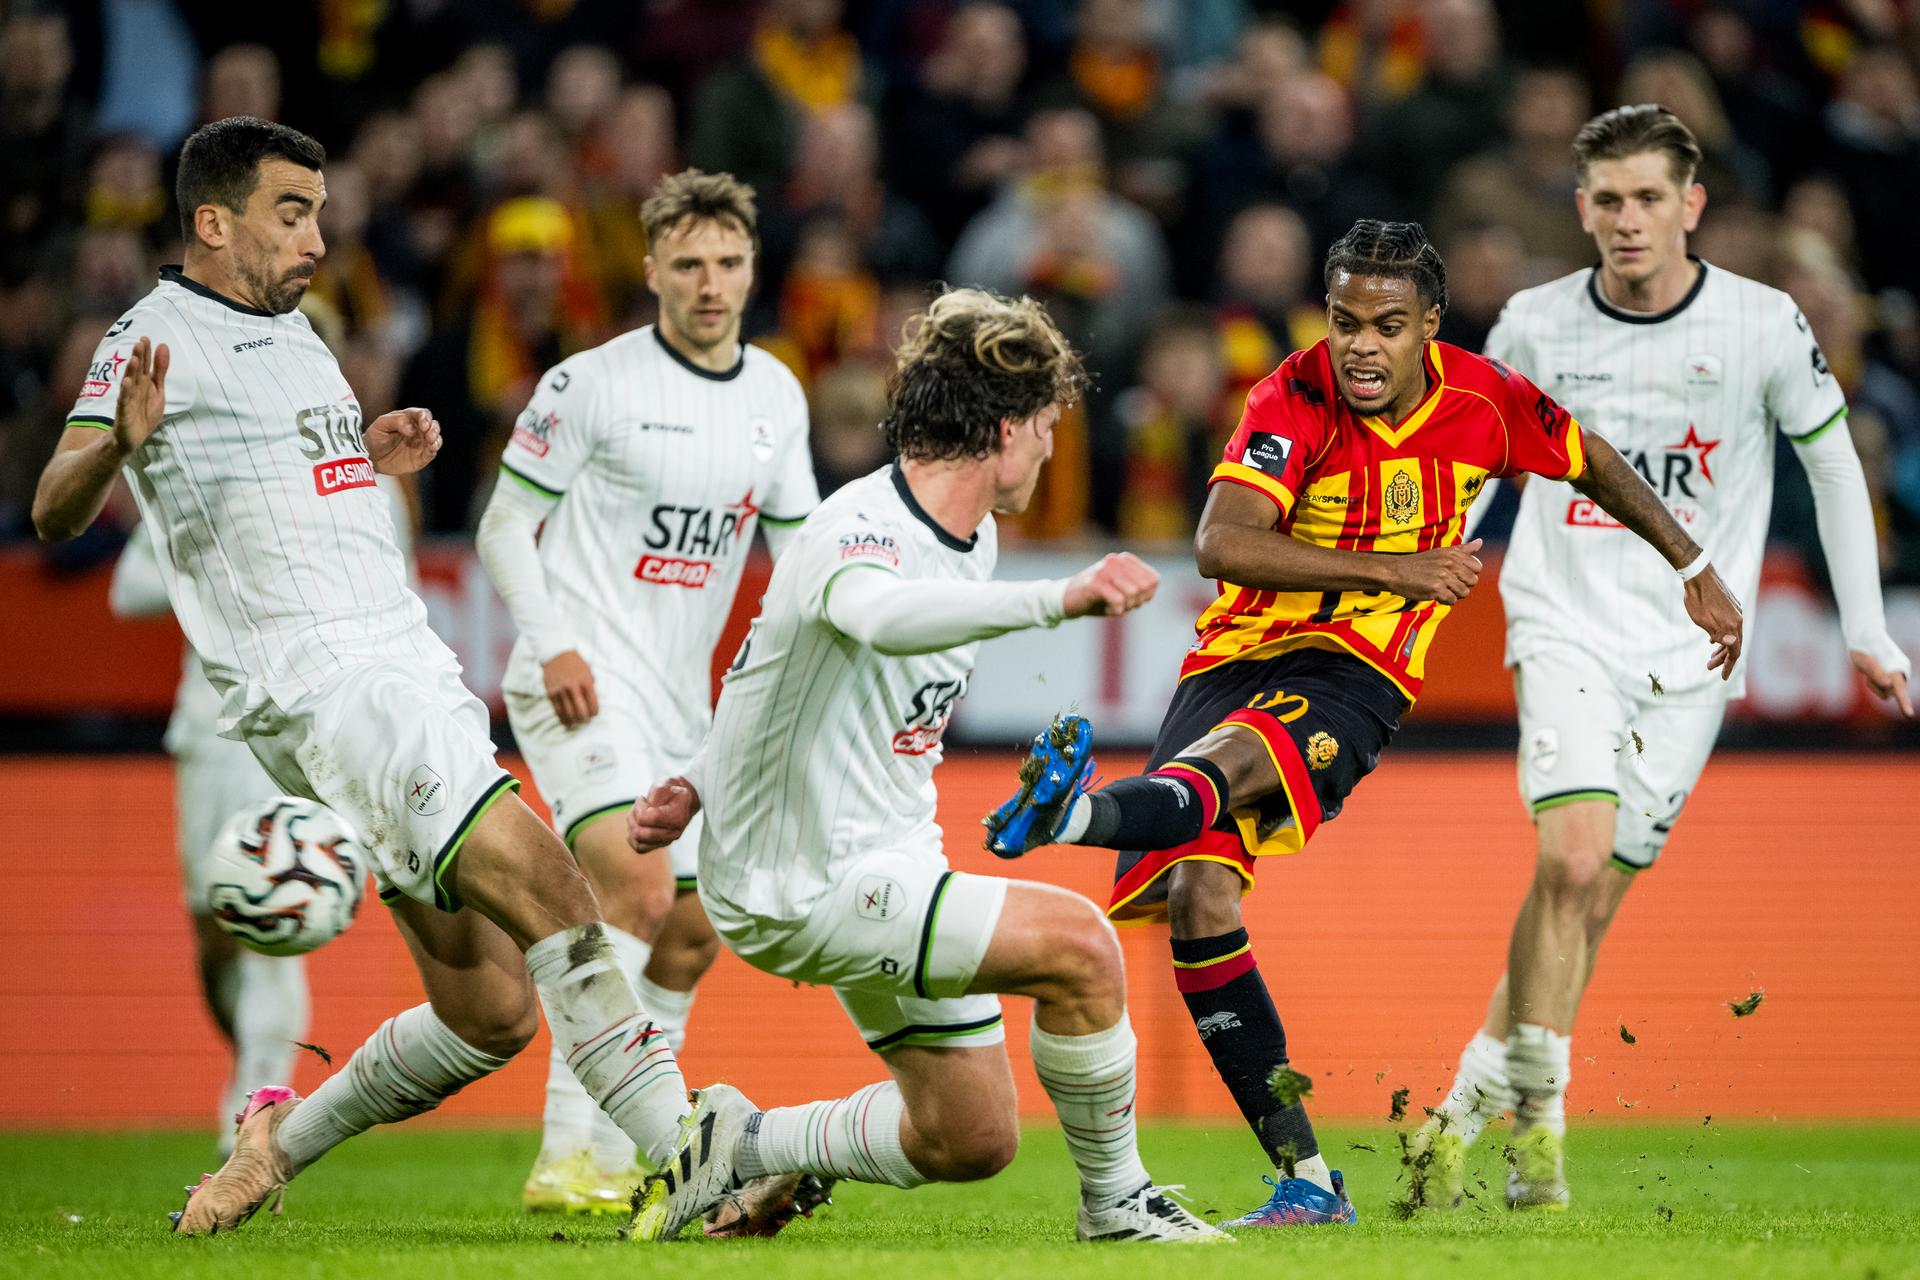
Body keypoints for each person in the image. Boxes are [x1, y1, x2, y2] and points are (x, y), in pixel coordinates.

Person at [982, 219, 1745, 1227]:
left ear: (1430, 326)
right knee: (1201, 899)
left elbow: (1589, 457)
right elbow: (1221, 541)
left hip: (1361, 669)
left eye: (1387, 325)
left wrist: (1694, 566)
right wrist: (1401, 568)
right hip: (1237, 653)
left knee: (1235, 767)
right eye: (1345, 320)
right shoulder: (1290, 394)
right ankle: (1308, 1179)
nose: (1361, 345)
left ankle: (1070, 817)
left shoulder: (1486, 398)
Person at [31, 115, 713, 1236]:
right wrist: (111, 443)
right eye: (290, 211)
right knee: (558, 889)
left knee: (493, 1012)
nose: (315, 235)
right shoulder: (151, 334)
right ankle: (689, 1159)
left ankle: (270, 1145)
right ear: (213, 220)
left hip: (401, 664)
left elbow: (293, 482)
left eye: (320, 212)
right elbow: (56, 505)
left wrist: (365, 457)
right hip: (330, 687)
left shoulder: (297, 334)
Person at [619, 287, 1226, 1245]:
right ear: (1010, 426)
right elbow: (876, 615)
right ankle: (1119, 1207)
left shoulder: (970, 535)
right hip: (808, 879)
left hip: (891, 854)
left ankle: (748, 1146)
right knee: (1082, 947)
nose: (1052, 452)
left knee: (969, 1135)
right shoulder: (864, 531)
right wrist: (1059, 599)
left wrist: (697, 777)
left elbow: (766, 664)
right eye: (1049, 428)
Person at [1413, 105, 1911, 1210]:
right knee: (1574, 859)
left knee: (1585, 904)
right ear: (1581, 207)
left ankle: (1465, 1110)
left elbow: (1834, 470)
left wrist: (1867, 628)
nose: (1627, 219)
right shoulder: (1537, 323)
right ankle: (1541, 1115)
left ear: (1691, 206)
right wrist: (1440, 548)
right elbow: (1480, 447)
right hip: (1564, 620)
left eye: (1648, 198)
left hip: (1692, 657)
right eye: (1607, 199)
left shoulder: (1763, 325)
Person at [476, 168, 819, 1214]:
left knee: (698, 921)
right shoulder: (592, 384)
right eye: (688, 264)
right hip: (576, 670)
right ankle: (567, 1152)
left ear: (752, 268)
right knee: (634, 884)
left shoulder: (776, 393)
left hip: (681, 696)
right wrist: (554, 643)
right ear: (652, 270)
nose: (710, 283)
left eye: (727, 262)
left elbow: (800, 549)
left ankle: (625, 1158)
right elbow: (501, 524)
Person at [110, 524, 306, 1153]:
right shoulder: (193, 481)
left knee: (278, 920)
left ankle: (253, 1108)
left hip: (302, 724)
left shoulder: (361, 480)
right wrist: (217, 569)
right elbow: (127, 591)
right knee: (215, 933)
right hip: (211, 729)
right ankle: (251, 1067)